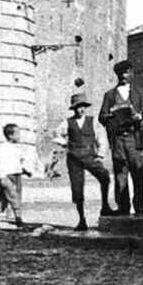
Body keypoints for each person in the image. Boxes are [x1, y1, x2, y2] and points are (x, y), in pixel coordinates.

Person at [53, 92, 116, 231]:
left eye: (83, 106)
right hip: (74, 159)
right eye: (77, 107)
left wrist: (100, 155)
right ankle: (82, 220)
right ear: (73, 108)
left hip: (90, 156)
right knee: (77, 189)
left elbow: (101, 139)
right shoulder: (67, 122)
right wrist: (65, 143)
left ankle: (105, 206)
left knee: (104, 176)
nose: (81, 109)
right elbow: (56, 134)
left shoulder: (92, 121)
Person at [98, 59, 143, 216]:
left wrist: (139, 116)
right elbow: (102, 116)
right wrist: (112, 113)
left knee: (138, 173)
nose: (124, 76)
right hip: (119, 139)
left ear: (132, 74)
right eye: (120, 73)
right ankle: (123, 207)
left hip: (135, 139)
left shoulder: (139, 93)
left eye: (127, 72)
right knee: (121, 174)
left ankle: (139, 207)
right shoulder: (110, 95)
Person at [0, 123, 32, 231]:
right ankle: (19, 223)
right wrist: (2, 178)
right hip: (7, 177)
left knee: (2, 200)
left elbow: (16, 164)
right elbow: (0, 164)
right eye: (17, 133)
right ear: (10, 136)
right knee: (15, 198)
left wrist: (25, 171)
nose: (19, 136)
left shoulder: (15, 148)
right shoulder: (4, 148)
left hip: (16, 176)